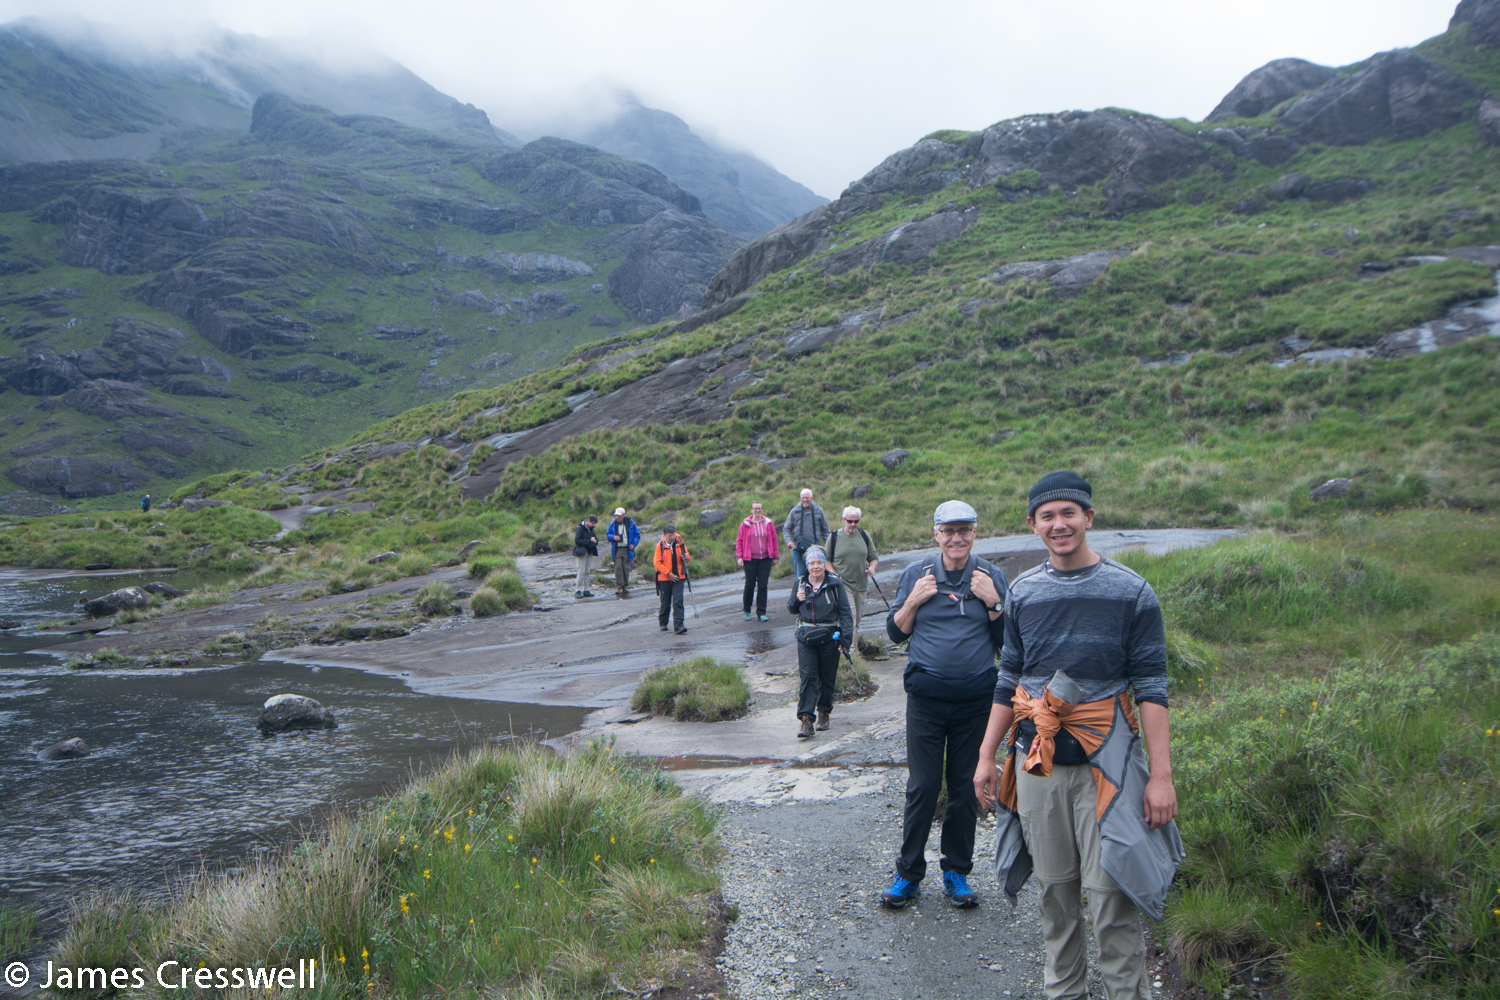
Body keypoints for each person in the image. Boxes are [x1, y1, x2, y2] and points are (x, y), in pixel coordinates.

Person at [973, 471, 1179, 1000]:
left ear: (1089, 517)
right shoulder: (1023, 592)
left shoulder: (1130, 590)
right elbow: (1009, 678)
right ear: (1033, 525)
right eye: (1048, 516)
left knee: (1113, 897)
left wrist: (1161, 777)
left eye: (1069, 513)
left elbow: (1151, 687)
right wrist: (985, 757)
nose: (1059, 524)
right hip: (1037, 764)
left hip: (1106, 768)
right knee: (1056, 899)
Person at [880, 500, 1007, 910]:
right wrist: (914, 601)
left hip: (975, 701)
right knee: (922, 785)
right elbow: (895, 634)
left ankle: (956, 872)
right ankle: (908, 873)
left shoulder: (993, 576)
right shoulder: (917, 574)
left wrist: (994, 604)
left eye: (964, 530)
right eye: (948, 530)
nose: (957, 538)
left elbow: (1009, 642)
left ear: (974, 533)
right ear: (936, 534)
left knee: (964, 789)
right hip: (926, 700)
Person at [786, 545, 853, 739]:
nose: (816, 566)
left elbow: (846, 613)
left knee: (827, 676)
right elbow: (791, 609)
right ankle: (806, 720)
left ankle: (824, 711)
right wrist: (798, 600)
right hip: (806, 635)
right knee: (807, 676)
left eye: (819, 562)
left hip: (830, 635)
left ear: (825, 564)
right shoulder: (800, 583)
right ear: (807, 565)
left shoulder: (835, 584)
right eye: (812, 563)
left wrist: (845, 639)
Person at [826, 505, 878, 647]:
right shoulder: (834, 537)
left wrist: (872, 569)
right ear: (843, 520)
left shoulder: (864, 536)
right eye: (850, 521)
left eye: (856, 521)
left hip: (861, 585)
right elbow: (827, 560)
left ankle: (847, 647)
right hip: (842, 585)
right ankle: (850, 651)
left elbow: (873, 557)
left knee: (858, 620)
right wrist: (834, 574)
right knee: (851, 618)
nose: (853, 524)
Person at [735, 500, 779, 621]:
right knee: (749, 585)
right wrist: (739, 557)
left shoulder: (768, 523)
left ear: (762, 510)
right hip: (750, 559)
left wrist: (775, 556)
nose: (758, 510)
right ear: (751, 510)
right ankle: (747, 610)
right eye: (755, 508)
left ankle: (761, 612)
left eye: (759, 508)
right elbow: (739, 541)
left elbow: (774, 540)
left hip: (765, 559)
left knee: (763, 586)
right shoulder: (745, 524)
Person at [782, 488, 828, 582]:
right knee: (800, 579)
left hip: (814, 549)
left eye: (807, 497)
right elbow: (786, 529)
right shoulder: (794, 511)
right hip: (798, 550)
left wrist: (828, 546)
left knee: (816, 577)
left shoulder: (819, 510)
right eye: (802, 498)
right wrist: (789, 541)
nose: (804, 500)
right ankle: (800, 596)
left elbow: (825, 530)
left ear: (811, 498)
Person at [653, 524, 691, 635]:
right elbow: (657, 564)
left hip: (679, 577)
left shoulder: (680, 543)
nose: (672, 537)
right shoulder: (659, 546)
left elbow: (687, 557)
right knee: (665, 602)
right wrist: (668, 573)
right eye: (669, 535)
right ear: (664, 535)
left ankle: (679, 626)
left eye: (673, 535)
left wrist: (685, 557)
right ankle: (663, 622)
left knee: (678, 601)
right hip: (665, 578)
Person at [606, 507, 640, 597]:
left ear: (624, 515)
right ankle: (618, 586)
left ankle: (625, 586)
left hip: (627, 549)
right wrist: (613, 537)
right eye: (616, 516)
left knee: (626, 568)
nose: (618, 517)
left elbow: (637, 535)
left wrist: (634, 544)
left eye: (619, 516)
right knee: (618, 568)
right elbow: (608, 535)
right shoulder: (613, 524)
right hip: (617, 549)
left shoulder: (631, 523)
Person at [572, 514, 599, 599]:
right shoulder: (579, 528)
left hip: (589, 552)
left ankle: (586, 590)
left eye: (594, 523)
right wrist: (589, 540)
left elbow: (595, 539)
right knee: (581, 571)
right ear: (587, 520)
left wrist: (595, 541)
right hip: (581, 552)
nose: (593, 525)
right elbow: (577, 541)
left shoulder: (591, 529)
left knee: (587, 571)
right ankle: (578, 590)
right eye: (592, 523)